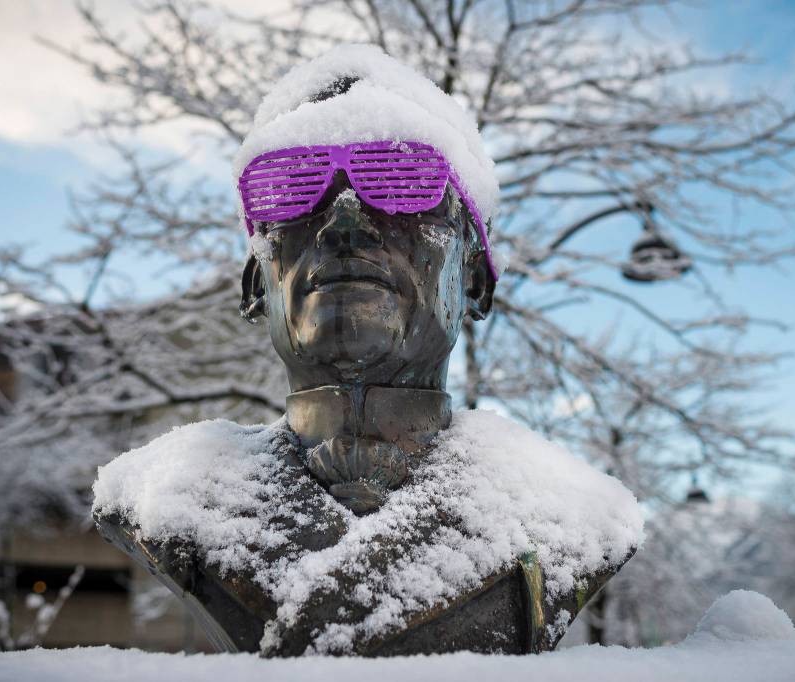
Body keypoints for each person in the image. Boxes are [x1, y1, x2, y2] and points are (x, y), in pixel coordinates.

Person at [94, 45, 641, 657]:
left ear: (477, 280)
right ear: (255, 286)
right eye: (292, 186)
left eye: (402, 180)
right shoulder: (164, 498)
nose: (344, 223)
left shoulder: (571, 517)